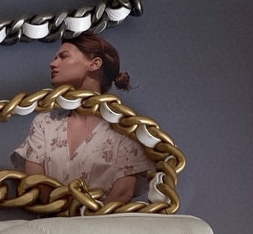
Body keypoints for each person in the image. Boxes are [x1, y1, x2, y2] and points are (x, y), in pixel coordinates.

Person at [10, 35, 152, 204]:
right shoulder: (45, 124)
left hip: (103, 221)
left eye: (63, 56)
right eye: (55, 58)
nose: (52, 63)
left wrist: (88, 217)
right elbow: (36, 183)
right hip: (50, 220)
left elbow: (122, 193)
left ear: (94, 64)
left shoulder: (125, 129)